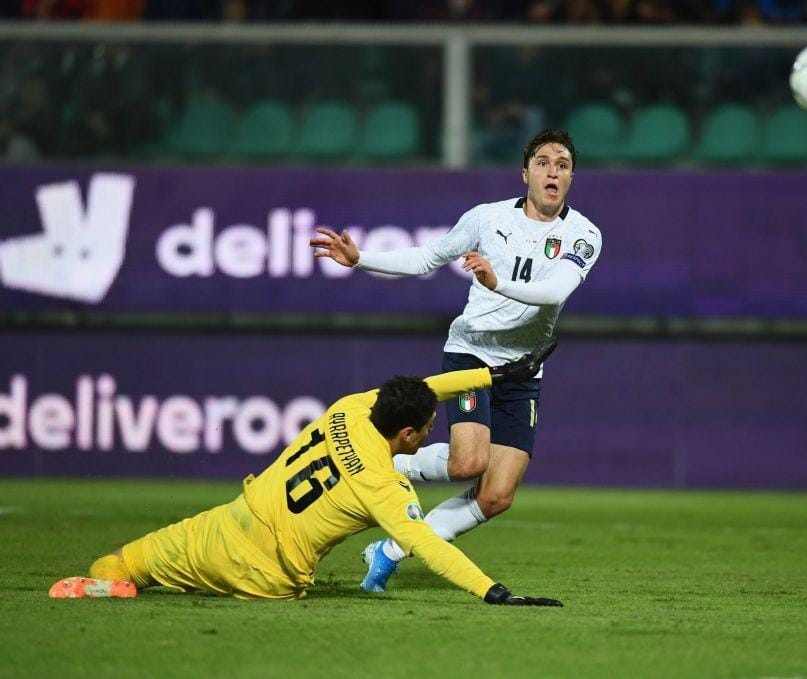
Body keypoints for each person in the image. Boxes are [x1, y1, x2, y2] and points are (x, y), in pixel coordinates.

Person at [49, 341, 562, 607]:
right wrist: (492, 591)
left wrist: (493, 376)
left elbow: (427, 387)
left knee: (116, 563)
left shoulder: (349, 408)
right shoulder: (386, 486)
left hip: (227, 526)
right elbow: (430, 547)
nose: (432, 430)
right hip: (268, 577)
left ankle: (107, 589)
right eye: (429, 427)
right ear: (407, 434)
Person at [309, 129, 602, 592]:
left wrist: (497, 283)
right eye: (543, 163)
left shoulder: (583, 234)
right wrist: (361, 258)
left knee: (497, 494)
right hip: (472, 353)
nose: (553, 172)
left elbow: (554, 292)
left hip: (522, 370)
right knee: (468, 463)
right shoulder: (487, 219)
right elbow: (426, 258)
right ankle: (382, 460)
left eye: (562, 165)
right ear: (525, 173)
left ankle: (389, 550)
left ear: (570, 178)